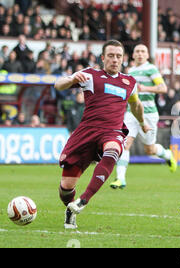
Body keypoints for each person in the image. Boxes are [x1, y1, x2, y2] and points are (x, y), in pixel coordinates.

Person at [54, 40, 150, 229]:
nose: (115, 60)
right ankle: (70, 209)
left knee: (113, 150)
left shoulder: (129, 82)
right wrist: (72, 80)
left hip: (112, 132)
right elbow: (59, 85)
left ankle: (83, 200)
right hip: (86, 133)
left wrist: (142, 123)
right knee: (66, 187)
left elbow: (136, 105)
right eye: (111, 55)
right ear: (103, 58)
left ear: (123, 59)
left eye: (119, 56)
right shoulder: (90, 75)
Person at [110, 44, 177, 190]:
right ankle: (120, 179)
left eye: (143, 51)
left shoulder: (151, 69)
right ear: (133, 55)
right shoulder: (130, 71)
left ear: (147, 55)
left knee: (150, 150)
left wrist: (144, 88)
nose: (140, 54)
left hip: (149, 114)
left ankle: (167, 154)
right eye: (137, 51)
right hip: (131, 112)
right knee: (125, 143)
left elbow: (163, 88)